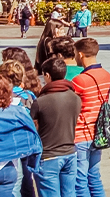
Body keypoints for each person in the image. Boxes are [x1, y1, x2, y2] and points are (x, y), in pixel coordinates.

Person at [31, 58, 79, 197]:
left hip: (48, 156)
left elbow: (33, 127)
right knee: (69, 194)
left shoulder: (40, 101)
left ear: (47, 75)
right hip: (70, 153)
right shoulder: (75, 97)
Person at [70, 38, 109, 197]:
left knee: (80, 181)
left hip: (81, 133)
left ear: (80, 54)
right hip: (98, 132)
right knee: (94, 177)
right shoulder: (106, 75)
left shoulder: (79, 80)